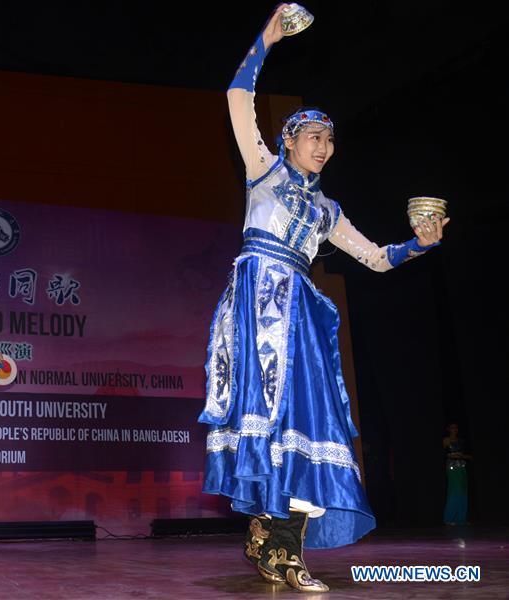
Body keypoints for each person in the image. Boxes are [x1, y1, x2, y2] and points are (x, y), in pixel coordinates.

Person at [198, 4, 448, 592]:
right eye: (313, 136)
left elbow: (378, 258)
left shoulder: (327, 210)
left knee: (307, 422)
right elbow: (238, 99)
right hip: (259, 305)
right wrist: (268, 37)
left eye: (330, 139)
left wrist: (421, 243)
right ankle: (273, 539)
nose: (324, 145)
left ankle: (279, 544)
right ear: (288, 141)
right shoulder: (263, 172)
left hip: (300, 317)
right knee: (266, 418)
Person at [442, 423, 471, 525]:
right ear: (448, 429)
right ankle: (449, 518)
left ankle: (460, 519)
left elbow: (469, 456)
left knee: (463, 491)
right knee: (454, 491)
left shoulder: (461, 441)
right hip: (452, 467)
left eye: (456, 427)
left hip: (462, 467)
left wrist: (461, 456)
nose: (454, 429)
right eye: (452, 427)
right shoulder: (446, 440)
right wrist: (455, 455)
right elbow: (446, 454)